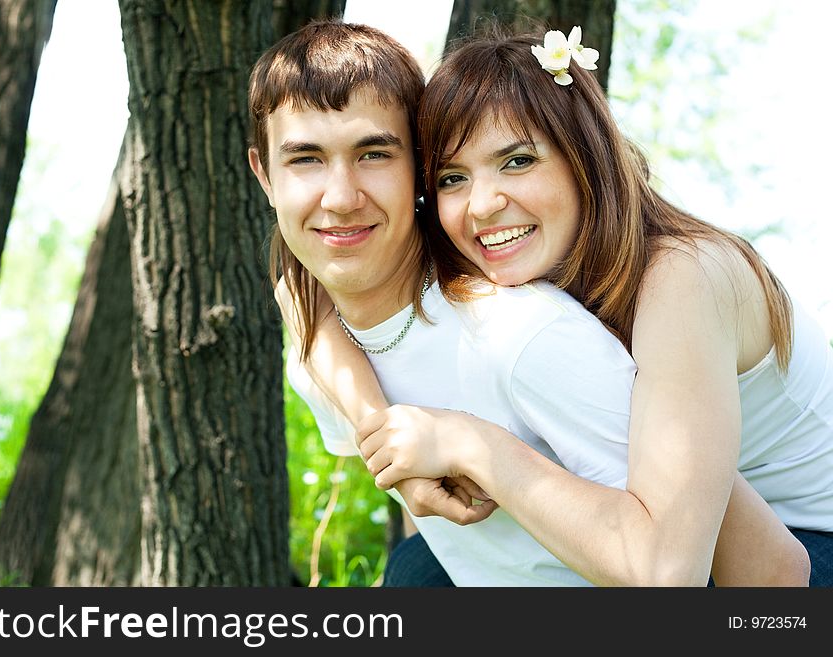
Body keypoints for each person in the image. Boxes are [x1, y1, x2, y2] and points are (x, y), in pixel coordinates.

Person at [248, 19, 810, 586]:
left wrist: (470, 442)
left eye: (518, 161)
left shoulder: (677, 279)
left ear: (583, 155)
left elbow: (715, 566)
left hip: (801, 531)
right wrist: (383, 428)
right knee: (418, 572)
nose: (485, 204)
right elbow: (304, 291)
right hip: (681, 527)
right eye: (453, 177)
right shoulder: (379, 289)